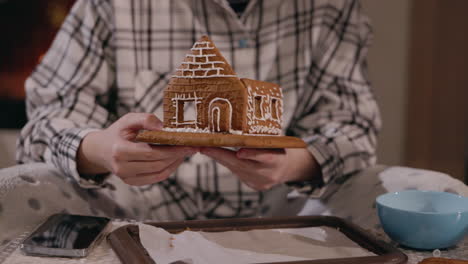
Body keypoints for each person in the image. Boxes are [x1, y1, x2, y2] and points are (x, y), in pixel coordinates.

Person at [17, 0, 381, 220]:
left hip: (289, 209)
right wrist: (101, 149)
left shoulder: (331, 7)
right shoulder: (112, 5)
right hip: (139, 212)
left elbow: (352, 126)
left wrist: (292, 163)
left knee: (411, 189)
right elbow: (45, 121)